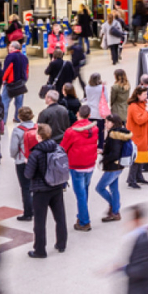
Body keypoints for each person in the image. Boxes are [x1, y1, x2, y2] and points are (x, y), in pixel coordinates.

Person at [24, 123, 68, 258]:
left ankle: (40, 250)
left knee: (40, 221)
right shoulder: (58, 148)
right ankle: (61, 244)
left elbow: (28, 174)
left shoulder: (36, 153)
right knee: (60, 217)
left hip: (41, 190)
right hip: (57, 187)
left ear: (39, 136)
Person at [61, 104, 100, 232]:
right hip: (90, 164)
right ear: (89, 115)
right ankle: (81, 215)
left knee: (80, 195)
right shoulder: (94, 129)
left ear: (78, 114)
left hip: (76, 166)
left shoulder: (71, 132)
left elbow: (63, 148)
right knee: (84, 191)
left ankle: (84, 222)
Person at [97, 114, 131, 223]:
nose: (105, 124)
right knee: (114, 189)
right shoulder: (121, 132)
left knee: (100, 188)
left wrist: (104, 159)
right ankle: (115, 211)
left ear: (113, 123)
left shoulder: (113, 134)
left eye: (107, 122)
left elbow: (115, 153)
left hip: (112, 166)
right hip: (119, 165)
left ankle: (115, 207)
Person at [10, 107, 38, 222]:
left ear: (19, 117)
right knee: (36, 186)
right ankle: (38, 209)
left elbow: (13, 150)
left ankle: (28, 213)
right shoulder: (38, 127)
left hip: (22, 161)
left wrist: (15, 157)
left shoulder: (17, 130)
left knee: (25, 188)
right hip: (36, 160)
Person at [126, 86, 148, 190]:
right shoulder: (133, 106)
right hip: (137, 136)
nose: (146, 96)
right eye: (144, 94)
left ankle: (139, 177)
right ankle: (131, 180)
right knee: (136, 159)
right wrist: (147, 110)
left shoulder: (142, 104)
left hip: (143, 135)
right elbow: (139, 120)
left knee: (141, 157)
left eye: (146, 94)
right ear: (138, 95)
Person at [1, 41, 29, 125]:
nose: (8, 48)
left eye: (9, 47)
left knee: (4, 102)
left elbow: (7, 70)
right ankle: (17, 118)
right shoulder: (24, 57)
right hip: (21, 83)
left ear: (13, 47)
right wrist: (25, 79)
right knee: (19, 103)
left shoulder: (10, 57)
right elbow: (26, 69)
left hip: (10, 84)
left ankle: (3, 120)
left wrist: (3, 79)